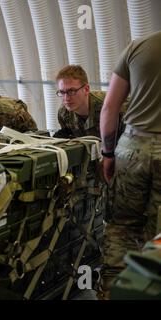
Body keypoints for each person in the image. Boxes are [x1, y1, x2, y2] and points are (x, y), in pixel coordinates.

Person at [99, 31, 161, 300]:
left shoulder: (139, 46)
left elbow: (110, 108)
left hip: (133, 147)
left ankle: (112, 293)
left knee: (122, 226)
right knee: (157, 234)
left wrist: (108, 153)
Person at [54, 65, 126, 139]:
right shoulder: (64, 113)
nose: (66, 98)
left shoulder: (112, 107)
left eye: (72, 91)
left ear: (86, 89)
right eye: (62, 92)